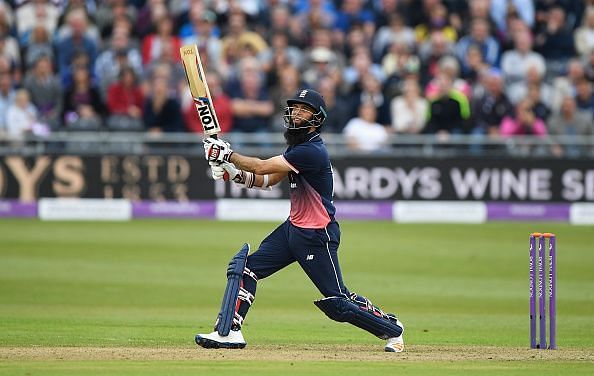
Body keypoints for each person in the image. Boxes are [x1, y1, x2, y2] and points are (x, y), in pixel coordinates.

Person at [195, 89, 405, 353]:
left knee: (338, 302)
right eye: (294, 108)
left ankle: (393, 329)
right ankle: (229, 331)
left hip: (317, 235)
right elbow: (266, 181)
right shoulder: (296, 148)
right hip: (292, 230)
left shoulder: (312, 151)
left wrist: (227, 155)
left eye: (303, 109)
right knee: (245, 268)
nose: (295, 113)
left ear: (316, 119)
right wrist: (231, 174)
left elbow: (260, 167)